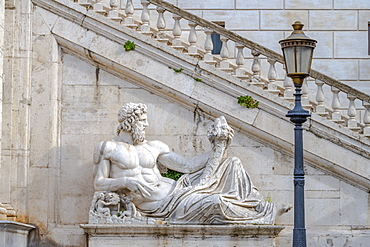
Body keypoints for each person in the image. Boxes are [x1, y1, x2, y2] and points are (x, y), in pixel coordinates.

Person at [93, 103, 290, 224]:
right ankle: (262, 214)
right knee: (215, 202)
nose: (146, 125)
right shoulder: (108, 147)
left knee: (232, 164)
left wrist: (218, 146)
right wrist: (126, 182)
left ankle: (261, 208)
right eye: (143, 121)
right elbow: (99, 183)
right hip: (160, 205)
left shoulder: (154, 147)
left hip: (179, 190)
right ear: (130, 123)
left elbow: (188, 166)